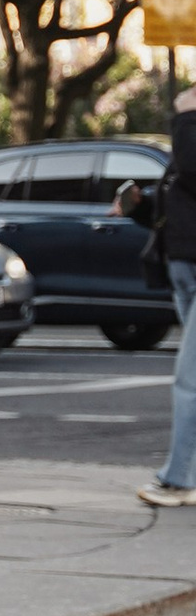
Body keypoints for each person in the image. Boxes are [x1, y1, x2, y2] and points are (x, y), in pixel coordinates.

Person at [125, 81, 196, 505]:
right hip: (184, 269)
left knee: (191, 380)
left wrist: (187, 117)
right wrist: (140, 207)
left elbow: (193, 170)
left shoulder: (189, 133)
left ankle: (179, 479)